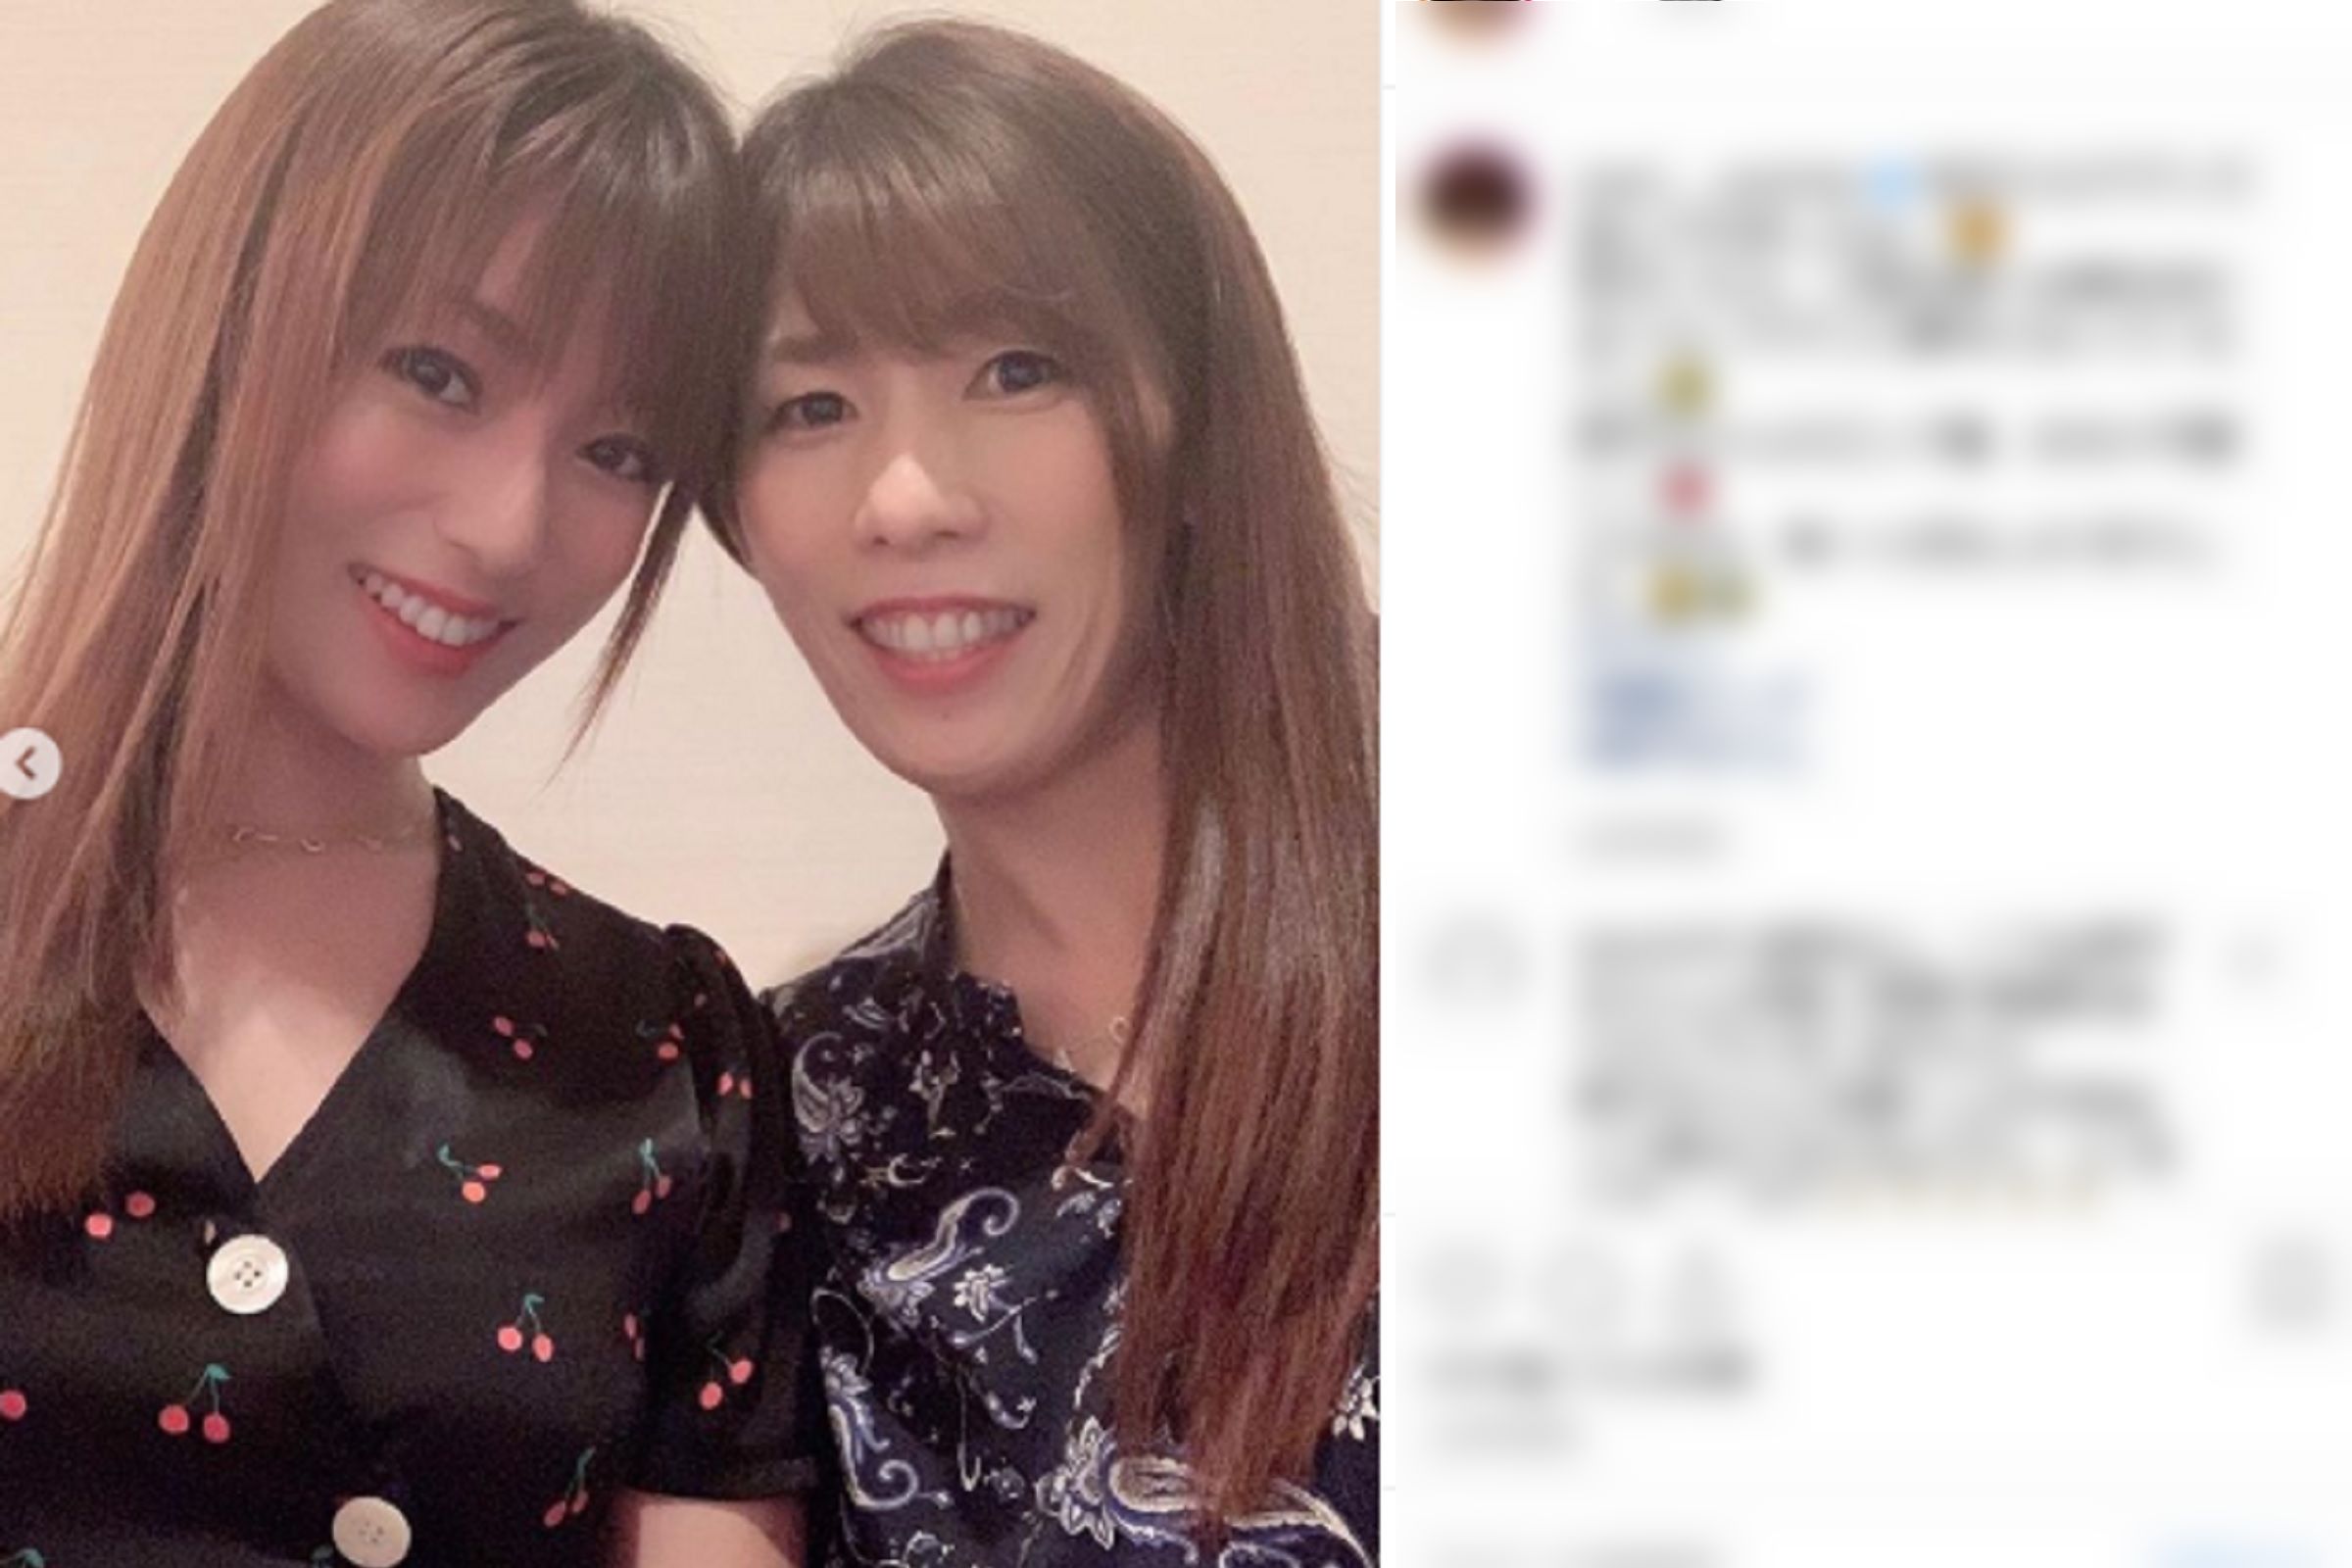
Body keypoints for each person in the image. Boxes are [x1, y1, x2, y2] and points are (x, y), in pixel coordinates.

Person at [0, 2, 814, 1561]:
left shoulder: (660, 1051)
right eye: (438, 371)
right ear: (230, 319)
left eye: (621, 452)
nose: (510, 528)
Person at [724, 21, 1379, 1565]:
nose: (905, 500)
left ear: (1195, 419)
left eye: (1016, 372)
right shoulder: (787, 1133)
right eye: (809, 408)